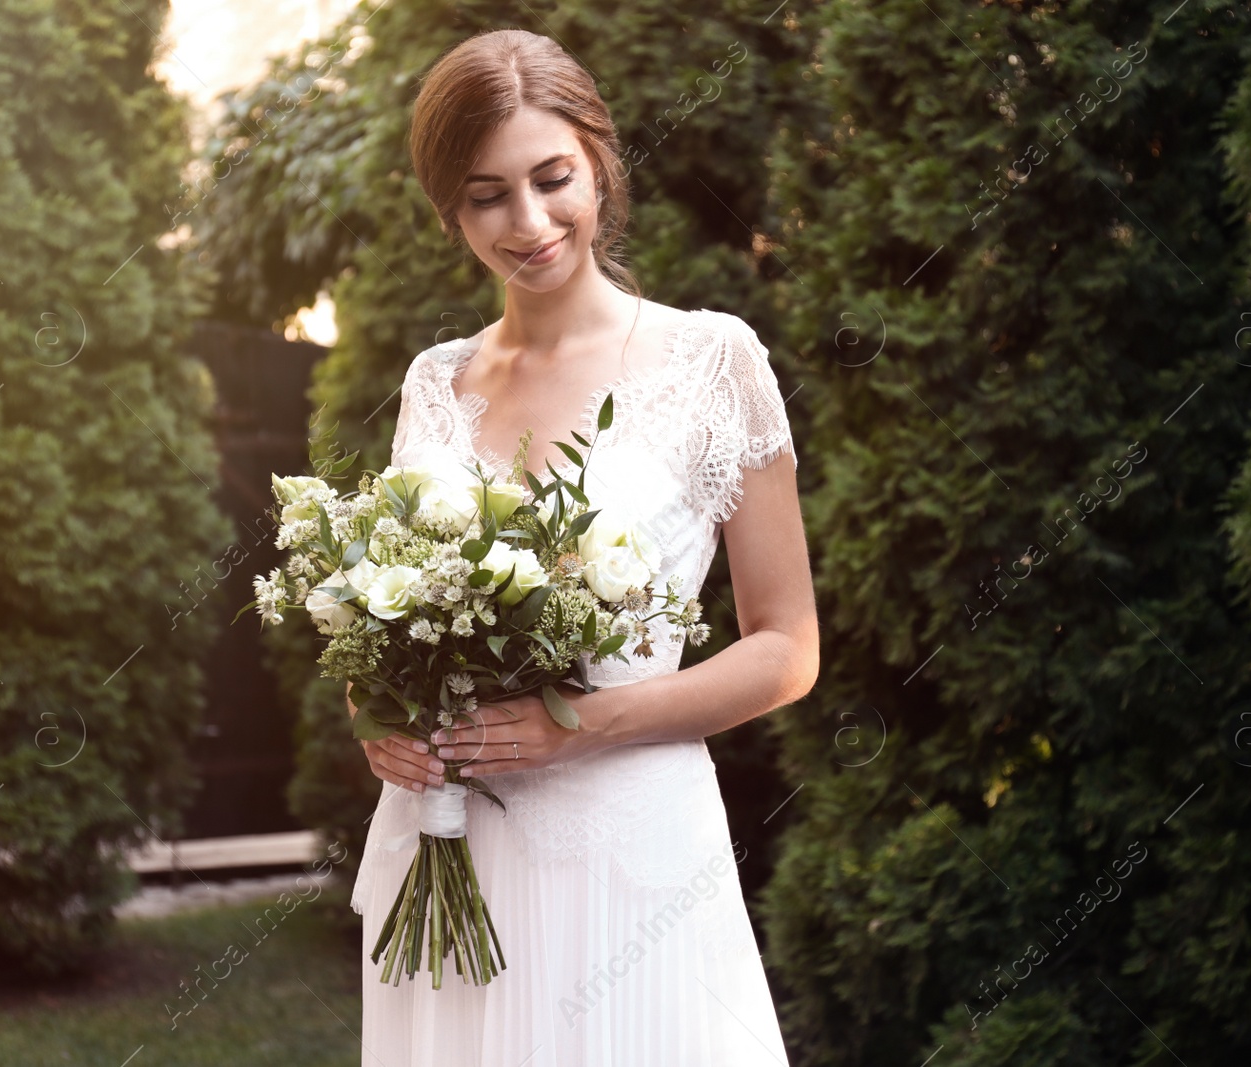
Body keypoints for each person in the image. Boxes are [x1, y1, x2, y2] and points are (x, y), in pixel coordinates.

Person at [347, 27, 818, 1066]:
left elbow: (786, 645)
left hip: (631, 855)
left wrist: (580, 726)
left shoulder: (713, 358)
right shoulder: (434, 381)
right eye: (485, 195)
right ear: (448, 208)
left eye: (552, 178)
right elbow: (383, 626)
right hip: (445, 845)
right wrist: (373, 713)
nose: (528, 221)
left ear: (598, 159)